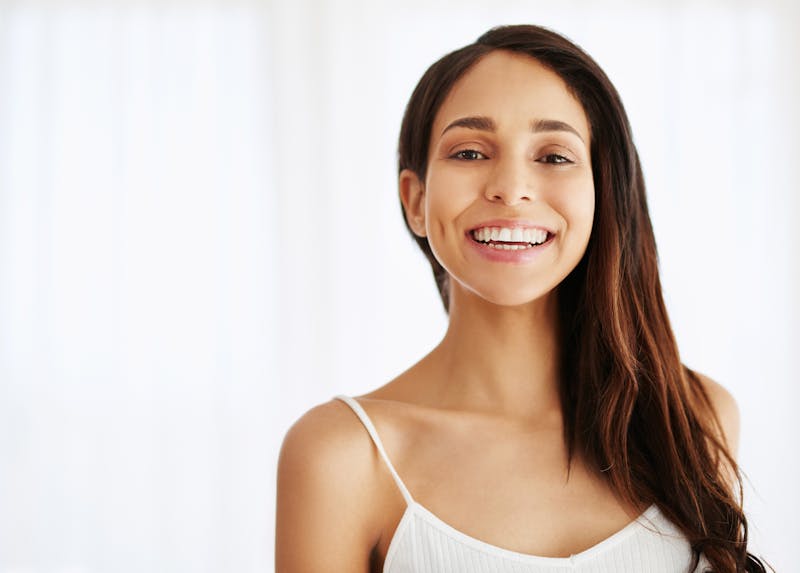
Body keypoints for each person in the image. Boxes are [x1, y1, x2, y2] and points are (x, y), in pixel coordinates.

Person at [275, 24, 768, 573]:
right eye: (468, 151)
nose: (510, 187)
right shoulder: (342, 456)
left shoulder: (696, 417)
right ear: (415, 201)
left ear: (603, 192)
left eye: (554, 156)